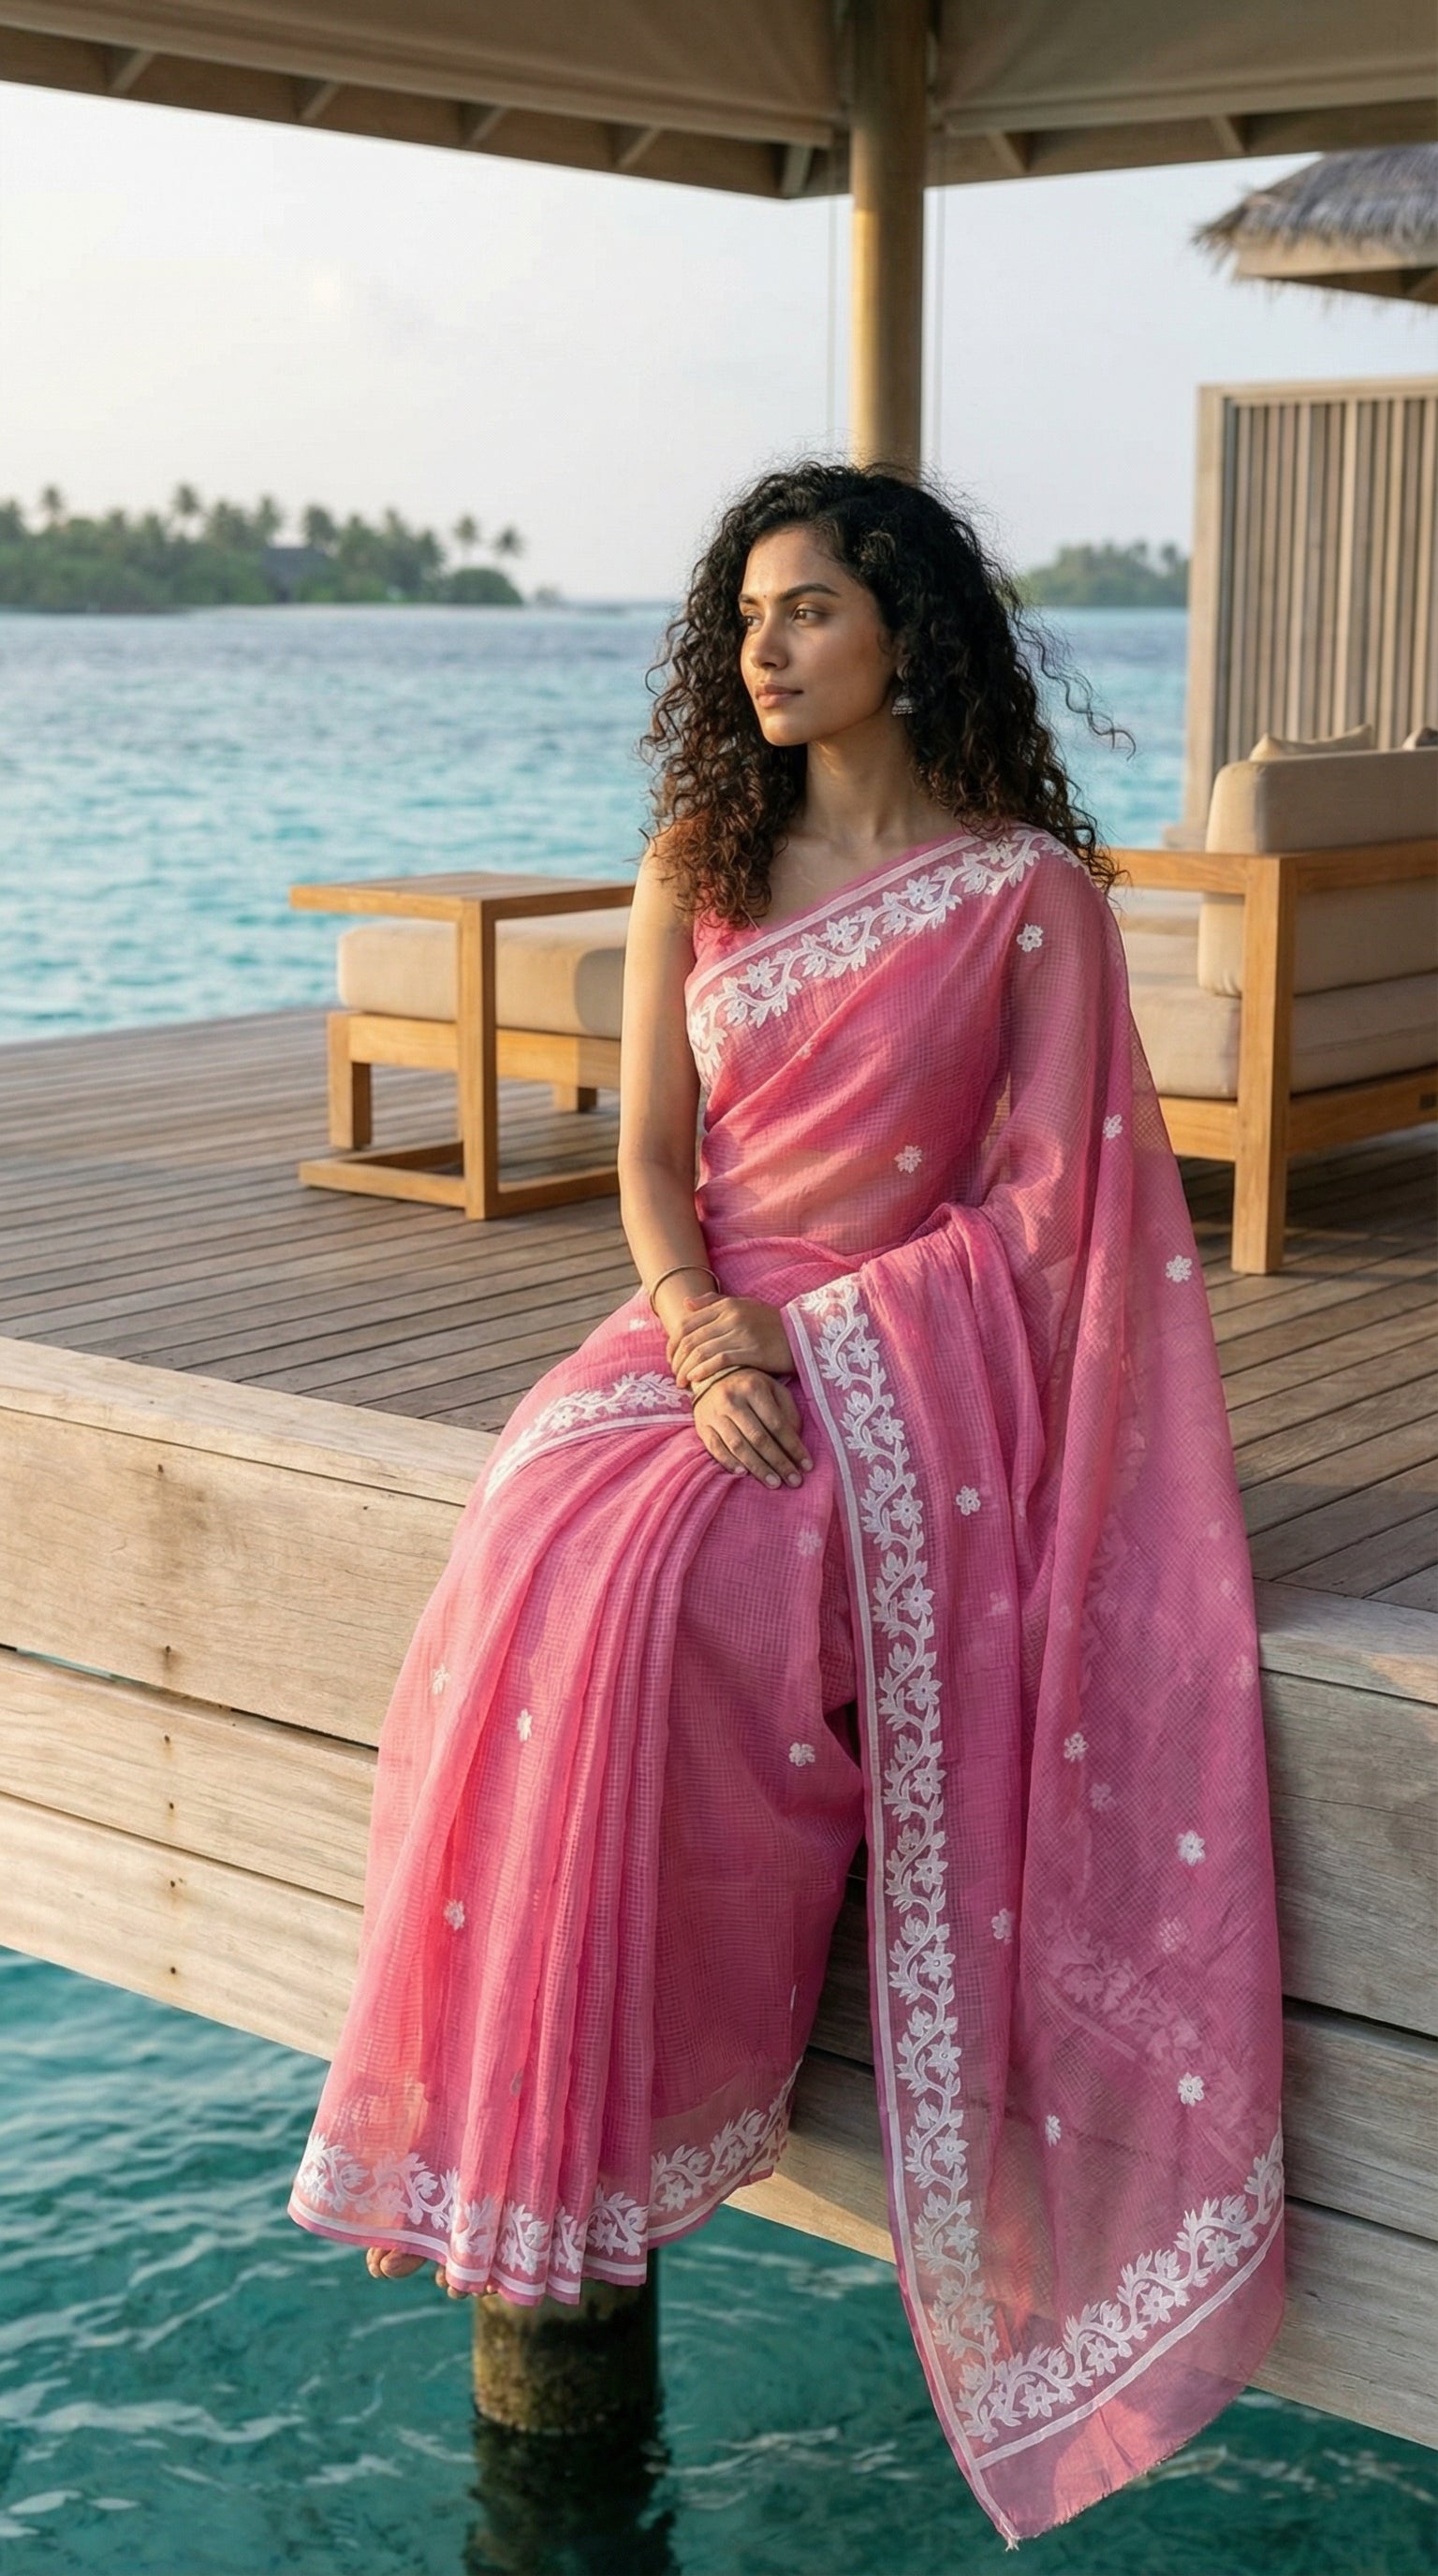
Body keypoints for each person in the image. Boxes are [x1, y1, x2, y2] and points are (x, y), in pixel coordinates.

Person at [288, 463, 1284, 2543]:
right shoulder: (701, 860)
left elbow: (1054, 1216)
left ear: (906, 635)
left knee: (676, 1581)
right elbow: (654, 1154)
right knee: (542, 1535)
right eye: (747, 609)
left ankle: (630, 2084)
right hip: (701, 1318)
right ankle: (506, 2120)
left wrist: (838, 1350)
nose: (762, 644)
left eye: (811, 607)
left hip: (904, 1361)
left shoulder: (1028, 899)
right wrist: (705, 1323)